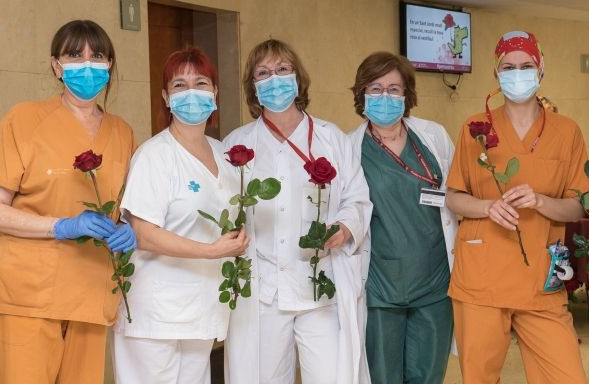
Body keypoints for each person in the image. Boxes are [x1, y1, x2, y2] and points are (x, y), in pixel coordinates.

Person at [0, 20, 136, 384]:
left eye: (97, 56)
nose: (87, 64)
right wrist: (61, 226)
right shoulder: (23, 120)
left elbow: (126, 205)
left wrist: (129, 228)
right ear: (56, 66)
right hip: (28, 297)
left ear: (110, 65)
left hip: (91, 293)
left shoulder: (122, 132)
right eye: (74, 55)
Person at [223, 39, 372, 384]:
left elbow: (358, 197)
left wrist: (346, 229)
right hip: (262, 293)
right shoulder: (236, 145)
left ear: (298, 78)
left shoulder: (331, 138)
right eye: (263, 73)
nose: (274, 78)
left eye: (282, 69)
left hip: (321, 290)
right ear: (253, 86)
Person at [445, 31, 589, 383]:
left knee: (566, 376)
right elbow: (453, 197)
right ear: (496, 73)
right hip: (481, 277)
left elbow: (578, 206)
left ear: (541, 69)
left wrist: (541, 201)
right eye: (508, 66)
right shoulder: (475, 128)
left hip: (542, 277)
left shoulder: (566, 131)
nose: (517, 72)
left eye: (526, 65)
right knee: (478, 378)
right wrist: (487, 207)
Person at [110, 47, 249, 384]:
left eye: (201, 83)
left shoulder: (225, 156)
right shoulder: (154, 155)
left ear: (215, 93)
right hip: (155, 313)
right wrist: (211, 251)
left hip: (201, 308)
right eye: (179, 85)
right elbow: (143, 233)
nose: (191, 93)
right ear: (165, 97)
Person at [348, 51, 456, 384]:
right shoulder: (348, 147)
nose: (386, 96)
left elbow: (456, 196)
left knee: (428, 377)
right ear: (361, 94)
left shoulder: (433, 136)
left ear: (407, 94)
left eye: (394, 89)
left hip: (435, 283)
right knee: (383, 377)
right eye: (376, 88)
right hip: (380, 288)